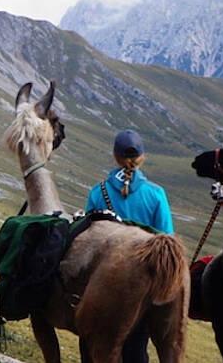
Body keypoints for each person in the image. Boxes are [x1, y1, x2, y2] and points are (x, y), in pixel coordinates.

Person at [83, 129, 174, 363]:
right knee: (136, 349)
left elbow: (88, 239)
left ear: (115, 156)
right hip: (142, 288)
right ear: (142, 157)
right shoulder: (156, 195)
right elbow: (167, 241)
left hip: (102, 283)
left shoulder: (97, 192)